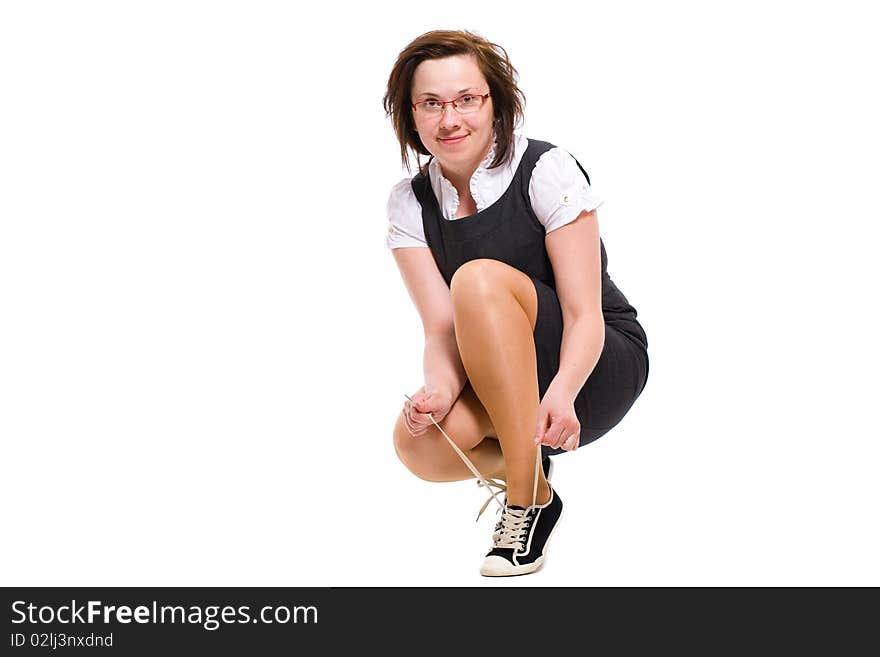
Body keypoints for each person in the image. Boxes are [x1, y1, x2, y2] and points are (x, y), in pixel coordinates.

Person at [383, 29, 649, 577]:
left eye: (466, 100)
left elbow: (584, 314)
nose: (449, 119)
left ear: (495, 103)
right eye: (430, 104)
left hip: (589, 364)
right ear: (411, 116)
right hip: (500, 376)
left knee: (478, 279)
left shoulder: (545, 170)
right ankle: (540, 488)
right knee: (421, 447)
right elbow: (441, 332)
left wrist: (565, 390)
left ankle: (523, 506)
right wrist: (439, 392)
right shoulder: (409, 203)